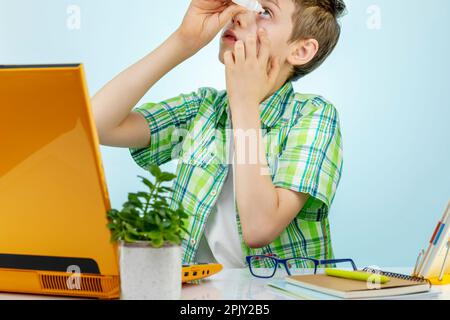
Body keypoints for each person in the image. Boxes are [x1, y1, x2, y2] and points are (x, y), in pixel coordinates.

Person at [92, 0, 346, 269]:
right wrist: (184, 41)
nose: (239, 16)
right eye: (245, 4)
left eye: (265, 12)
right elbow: (98, 124)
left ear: (301, 49)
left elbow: (259, 228)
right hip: (199, 292)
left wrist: (245, 104)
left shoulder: (313, 116)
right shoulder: (204, 108)